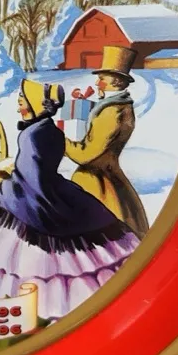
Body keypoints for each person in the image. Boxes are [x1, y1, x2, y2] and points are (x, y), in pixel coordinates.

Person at [0, 78, 140, 321]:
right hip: (56, 192)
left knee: (28, 264)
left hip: (38, 200)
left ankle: (47, 312)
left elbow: (33, 181)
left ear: (35, 104)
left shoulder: (33, 135)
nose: (19, 106)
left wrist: (2, 188)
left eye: (22, 101)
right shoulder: (49, 129)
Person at [65, 45, 149, 239]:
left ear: (115, 81)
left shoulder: (112, 112)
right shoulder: (117, 107)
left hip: (96, 183)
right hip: (108, 178)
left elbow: (86, 154)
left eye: (102, 79)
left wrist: (62, 141)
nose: (97, 83)